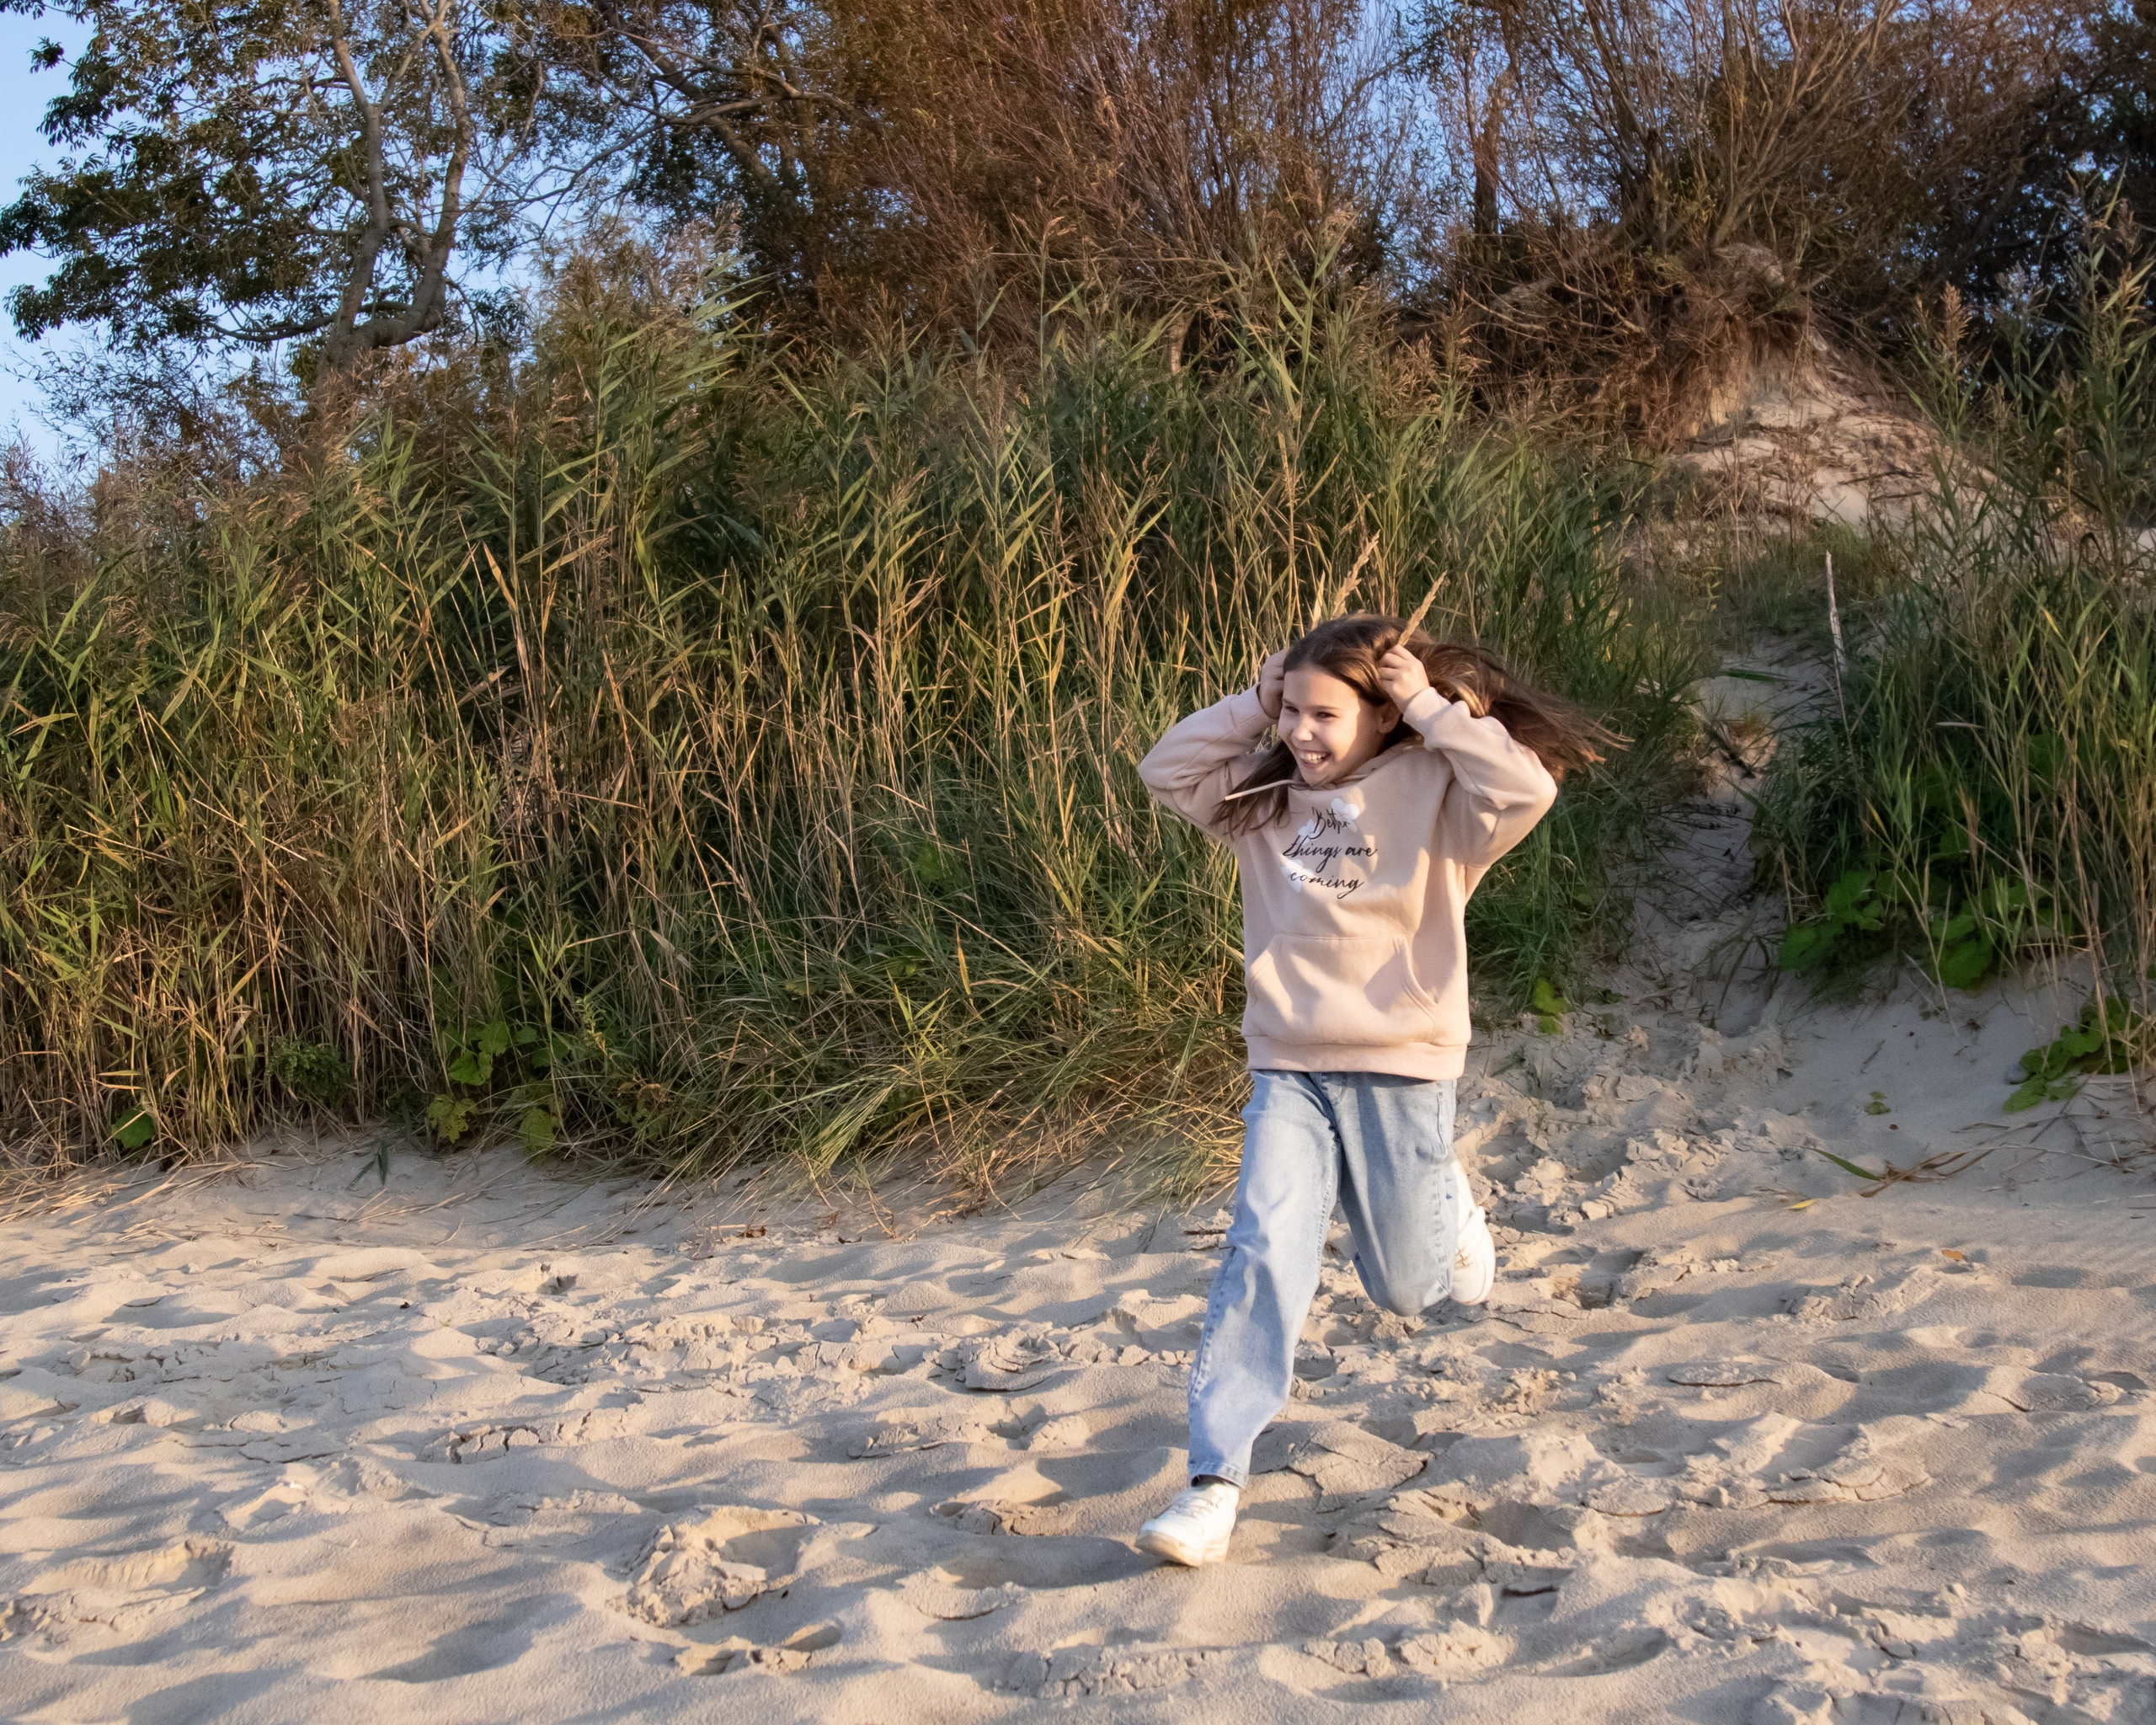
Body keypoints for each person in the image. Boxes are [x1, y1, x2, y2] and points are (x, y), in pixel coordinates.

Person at [1131, 612, 1614, 1567]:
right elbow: (1164, 767)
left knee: (1405, 1286)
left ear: (1381, 715)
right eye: (1293, 712)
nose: (1302, 732)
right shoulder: (1263, 795)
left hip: (1403, 1061)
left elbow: (1525, 782)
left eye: (1323, 715)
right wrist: (1252, 700)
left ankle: (1450, 1205)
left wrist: (1428, 705)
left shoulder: (1436, 787)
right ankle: (1211, 1485)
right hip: (1288, 1063)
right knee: (1264, 1251)